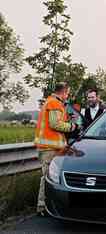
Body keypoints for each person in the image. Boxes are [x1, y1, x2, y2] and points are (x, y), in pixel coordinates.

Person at [34, 82, 78, 216]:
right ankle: (42, 208)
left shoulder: (51, 102)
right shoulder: (54, 104)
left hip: (50, 147)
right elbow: (55, 124)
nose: (68, 96)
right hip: (49, 148)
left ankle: (50, 206)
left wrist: (68, 119)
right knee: (47, 177)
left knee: (50, 177)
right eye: (67, 93)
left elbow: (54, 121)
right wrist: (72, 127)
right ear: (63, 92)